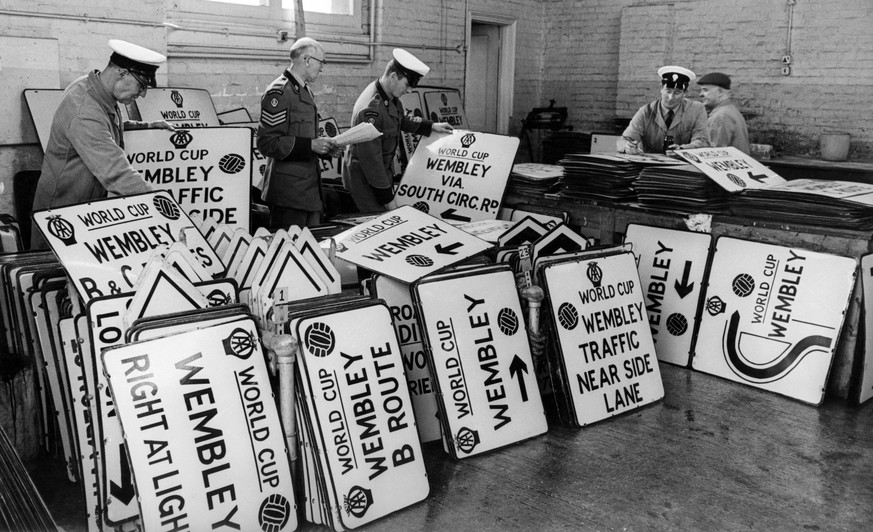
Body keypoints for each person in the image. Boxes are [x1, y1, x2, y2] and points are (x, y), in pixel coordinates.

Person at [31, 39, 174, 248]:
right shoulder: (84, 110)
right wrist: (162, 203)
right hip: (60, 215)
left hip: (81, 206)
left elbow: (107, 128)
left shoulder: (95, 89)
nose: (142, 94)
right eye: (141, 85)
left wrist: (150, 125)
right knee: (58, 278)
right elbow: (115, 171)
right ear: (122, 73)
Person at [342, 49, 454, 213]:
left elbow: (399, 118)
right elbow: (372, 162)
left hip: (378, 174)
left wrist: (429, 126)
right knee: (378, 222)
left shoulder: (387, 95)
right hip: (364, 179)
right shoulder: (370, 110)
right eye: (407, 85)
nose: (409, 91)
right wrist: (387, 199)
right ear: (393, 76)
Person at [257, 37, 338, 230]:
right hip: (289, 195)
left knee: (310, 250)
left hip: (307, 191)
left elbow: (304, 138)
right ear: (307, 60)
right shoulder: (279, 92)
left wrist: (323, 149)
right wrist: (311, 145)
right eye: (321, 62)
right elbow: (267, 143)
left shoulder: (304, 90)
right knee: (290, 252)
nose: (321, 68)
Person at [618, 65, 710, 154]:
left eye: (677, 92)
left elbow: (702, 141)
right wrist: (627, 146)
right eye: (668, 91)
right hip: (649, 167)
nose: (671, 97)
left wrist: (682, 150)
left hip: (681, 165)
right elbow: (625, 139)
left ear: (685, 93)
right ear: (661, 88)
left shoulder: (696, 110)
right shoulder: (645, 112)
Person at [697, 72, 751, 155]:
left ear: (719, 92)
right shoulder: (729, 110)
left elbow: (715, 154)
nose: (701, 94)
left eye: (705, 90)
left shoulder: (721, 115)